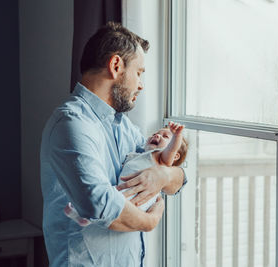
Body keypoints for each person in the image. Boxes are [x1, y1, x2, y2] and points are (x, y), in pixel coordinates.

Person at [40, 22, 187, 267]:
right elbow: (100, 205)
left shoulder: (124, 126)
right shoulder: (71, 124)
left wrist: (163, 174)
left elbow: (178, 180)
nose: (141, 85)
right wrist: (151, 221)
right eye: (139, 72)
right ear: (116, 65)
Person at [64, 121, 188, 226]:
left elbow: (171, 149)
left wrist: (177, 136)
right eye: (155, 134)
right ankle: (87, 218)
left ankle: (88, 218)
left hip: (137, 195)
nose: (156, 136)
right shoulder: (142, 154)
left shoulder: (162, 159)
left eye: (165, 136)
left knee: (110, 204)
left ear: (175, 156)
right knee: (109, 201)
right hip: (126, 189)